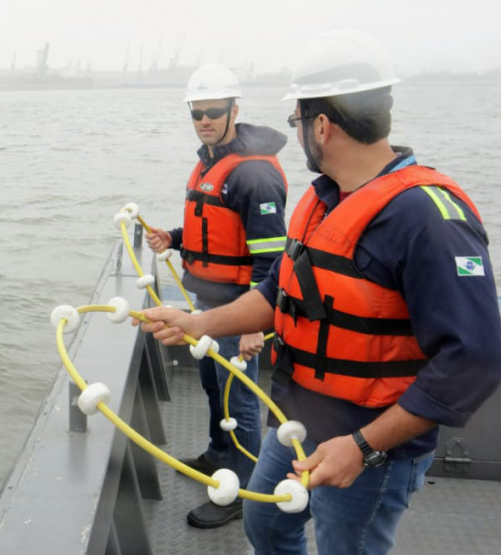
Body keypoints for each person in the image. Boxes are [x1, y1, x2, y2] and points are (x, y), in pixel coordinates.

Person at [139, 28, 501, 554]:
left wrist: (362, 447)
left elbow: (476, 358)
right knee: (266, 524)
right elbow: (276, 290)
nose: (298, 132)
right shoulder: (322, 200)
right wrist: (198, 323)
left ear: (322, 126)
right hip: (298, 421)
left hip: (371, 446)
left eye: (298, 120)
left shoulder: (428, 218)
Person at [144, 63, 289, 529]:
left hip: (236, 307)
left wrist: (252, 325)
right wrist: (174, 237)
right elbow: (216, 229)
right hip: (207, 303)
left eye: (213, 111)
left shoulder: (255, 176)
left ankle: (243, 490)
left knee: (239, 400)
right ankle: (219, 454)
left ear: (234, 110)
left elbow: (272, 260)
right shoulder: (211, 161)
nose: (204, 120)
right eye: (197, 113)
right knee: (212, 384)